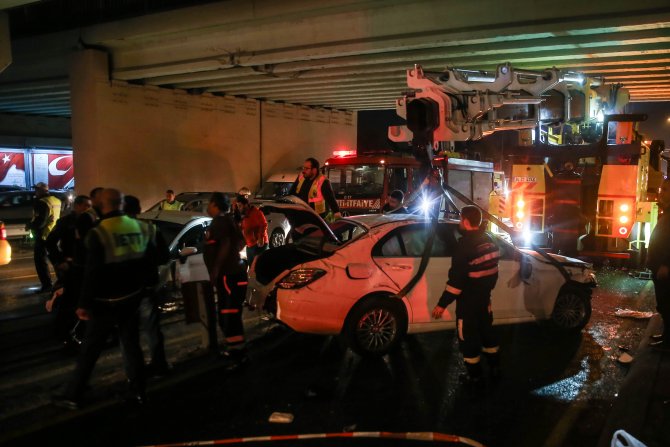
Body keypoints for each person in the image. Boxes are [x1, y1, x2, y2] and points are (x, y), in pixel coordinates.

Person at [54, 188, 158, 409]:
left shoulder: (99, 233)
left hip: (105, 301)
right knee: (132, 346)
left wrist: (83, 304)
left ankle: (73, 394)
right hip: (132, 297)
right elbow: (153, 262)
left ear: (102, 206)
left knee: (90, 349)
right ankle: (139, 391)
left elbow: (91, 272)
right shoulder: (144, 228)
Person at [431, 206, 501, 392]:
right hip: (485, 301)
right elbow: (493, 272)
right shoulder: (489, 241)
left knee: (467, 339)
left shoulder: (464, 248)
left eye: (461, 220)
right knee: (488, 334)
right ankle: (494, 369)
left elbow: (456, 282)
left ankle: (475, 378)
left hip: (468, 304)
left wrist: (441, 304)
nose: (460, 223)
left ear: (466, 222)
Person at [124, 195, 172, 376]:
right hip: (147, 287)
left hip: (126, 290)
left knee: (128, 334)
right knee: (152, 329)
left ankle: (134, 372)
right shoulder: (150, 229)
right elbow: (164, 257)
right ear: (139, 210)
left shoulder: (115, 233)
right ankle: (159, 364)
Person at [203, 192, 249, 370]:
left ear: (214, 204)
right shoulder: (229, 220)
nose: (208, 207)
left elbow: (226, 243)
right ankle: (236, 351)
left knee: (229, 317)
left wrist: (216, 269)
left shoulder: (220, 221)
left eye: (209, 203)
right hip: (233, 274)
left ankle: (239, 358)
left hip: (229, 276)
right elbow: (241, 242)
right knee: (228, 317)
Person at [45, 195, 92, 351]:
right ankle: (63, 333)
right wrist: (59, 262)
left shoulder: (89, 222)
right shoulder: (66, 222)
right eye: (86, 206)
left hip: (83, 267)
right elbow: (50, 242)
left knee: (80, 299)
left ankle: (77, 331)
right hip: (70, 267)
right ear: (77, 205)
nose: (88, 209)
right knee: (69, 300)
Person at [26, 182, 62, 293]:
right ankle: (63, 281)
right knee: (56, 260)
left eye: (37, 190)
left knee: (40, 262)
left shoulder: (42, 203)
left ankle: (47, 285)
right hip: (54, 235)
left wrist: (30, 226)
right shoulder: (56, 200)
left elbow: (40, 221)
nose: (35, 192)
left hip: (43, 236)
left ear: (43, 191)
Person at [647, 178, 670, 350]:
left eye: (666, 190)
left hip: (664, 269)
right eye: (662, 189)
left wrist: (666, 264)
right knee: (663, 304)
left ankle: (668, 342)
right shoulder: (667, 212)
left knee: (667, 304)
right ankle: (666, 336)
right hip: (659, 267)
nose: (662, 193)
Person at [236, 195, 268, 268]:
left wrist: (260, 237)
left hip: (258, 245)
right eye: (238, 206)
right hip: (250, 245)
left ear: (246, 205)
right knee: (251, 266)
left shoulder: (256, 212)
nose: (239, 208)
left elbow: (263, 224)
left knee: (258, 266)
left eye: (240, 206)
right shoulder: (244, 215)